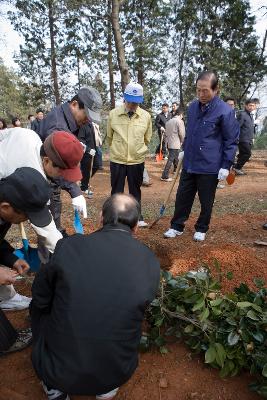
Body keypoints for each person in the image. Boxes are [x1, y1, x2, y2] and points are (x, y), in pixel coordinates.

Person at [31, 193, 160, 400]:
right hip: (115, 373)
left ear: (101, 218)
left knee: (38, 307)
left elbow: (40, 295)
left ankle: (54, 387)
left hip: (57, 370)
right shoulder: (149, 261)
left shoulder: (69, 246)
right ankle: (104, 388)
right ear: (136, 227)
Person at [164, 71, 239, 241]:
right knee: (183, 196)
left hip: (210, 165)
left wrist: (226, 165)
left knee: (206, 200)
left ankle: (201, 228)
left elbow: (231, 140)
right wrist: (184, 149)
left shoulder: (225, 111)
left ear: (216, 89)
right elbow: (190, 133)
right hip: (190, 162)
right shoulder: (192, 108)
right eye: (198, 90)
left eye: (205, 90)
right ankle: (177, 226)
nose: (201, 94)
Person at [0, 167, 54, 352]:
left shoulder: (3, 210)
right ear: (6, 207)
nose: (27, 221)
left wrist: (12, 259)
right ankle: (5, 342)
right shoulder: (5, 209)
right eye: (26, 216)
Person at [39, 87, 102, 233]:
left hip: (52, 174)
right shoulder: (57, 126)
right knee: (49, 222)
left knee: (54, 212)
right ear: (74, 104)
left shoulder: (70, 118)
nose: (87, 120)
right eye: (86, 114)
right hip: (45, 176)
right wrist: (75, 191)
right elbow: (56, 163)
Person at [107, 82, 152, 227]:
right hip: (117, 160)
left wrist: (138, 149)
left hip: (136, 160)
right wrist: (117, 149)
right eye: (130, 101)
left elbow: (147, 138)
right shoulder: (113, 114)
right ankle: (113, 218)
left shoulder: (146, 116)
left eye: (136, 102)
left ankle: (137, 218)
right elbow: (109, 137)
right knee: (116, 191)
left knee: (135, 191)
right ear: (124, 98)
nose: (133, 105)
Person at [161, 109, 185, 182]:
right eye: (182, 116)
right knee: (171, 159)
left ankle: (176, 170)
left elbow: (166, 133)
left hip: (169, 143)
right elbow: (182, 133)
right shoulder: (180, 121)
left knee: (176, 158)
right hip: (175, 143)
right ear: (181, 115)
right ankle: (164, 176)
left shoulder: (168, 122)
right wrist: (182, 141)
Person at [233, 99, 255, 175]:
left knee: (242, 154)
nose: (251, 107)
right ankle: (237, 167)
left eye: (253, 105)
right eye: (250, 105)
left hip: (248, 139)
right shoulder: (242, 114)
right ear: (246, 106)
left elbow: (250, 128)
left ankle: (236, 168)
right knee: (247, 154)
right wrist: (236, 138)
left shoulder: (250, 116)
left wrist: (252, 138)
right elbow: (237, 126)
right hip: (242, 139)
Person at [78, 121, 97, 196]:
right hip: (86, 152)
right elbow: (81, 140)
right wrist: (88, 150)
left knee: (96, 165)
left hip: (94, 150)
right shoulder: (83, 126)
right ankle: (84, 187)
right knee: (86, 169)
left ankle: (84, 182)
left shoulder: (92, 125)